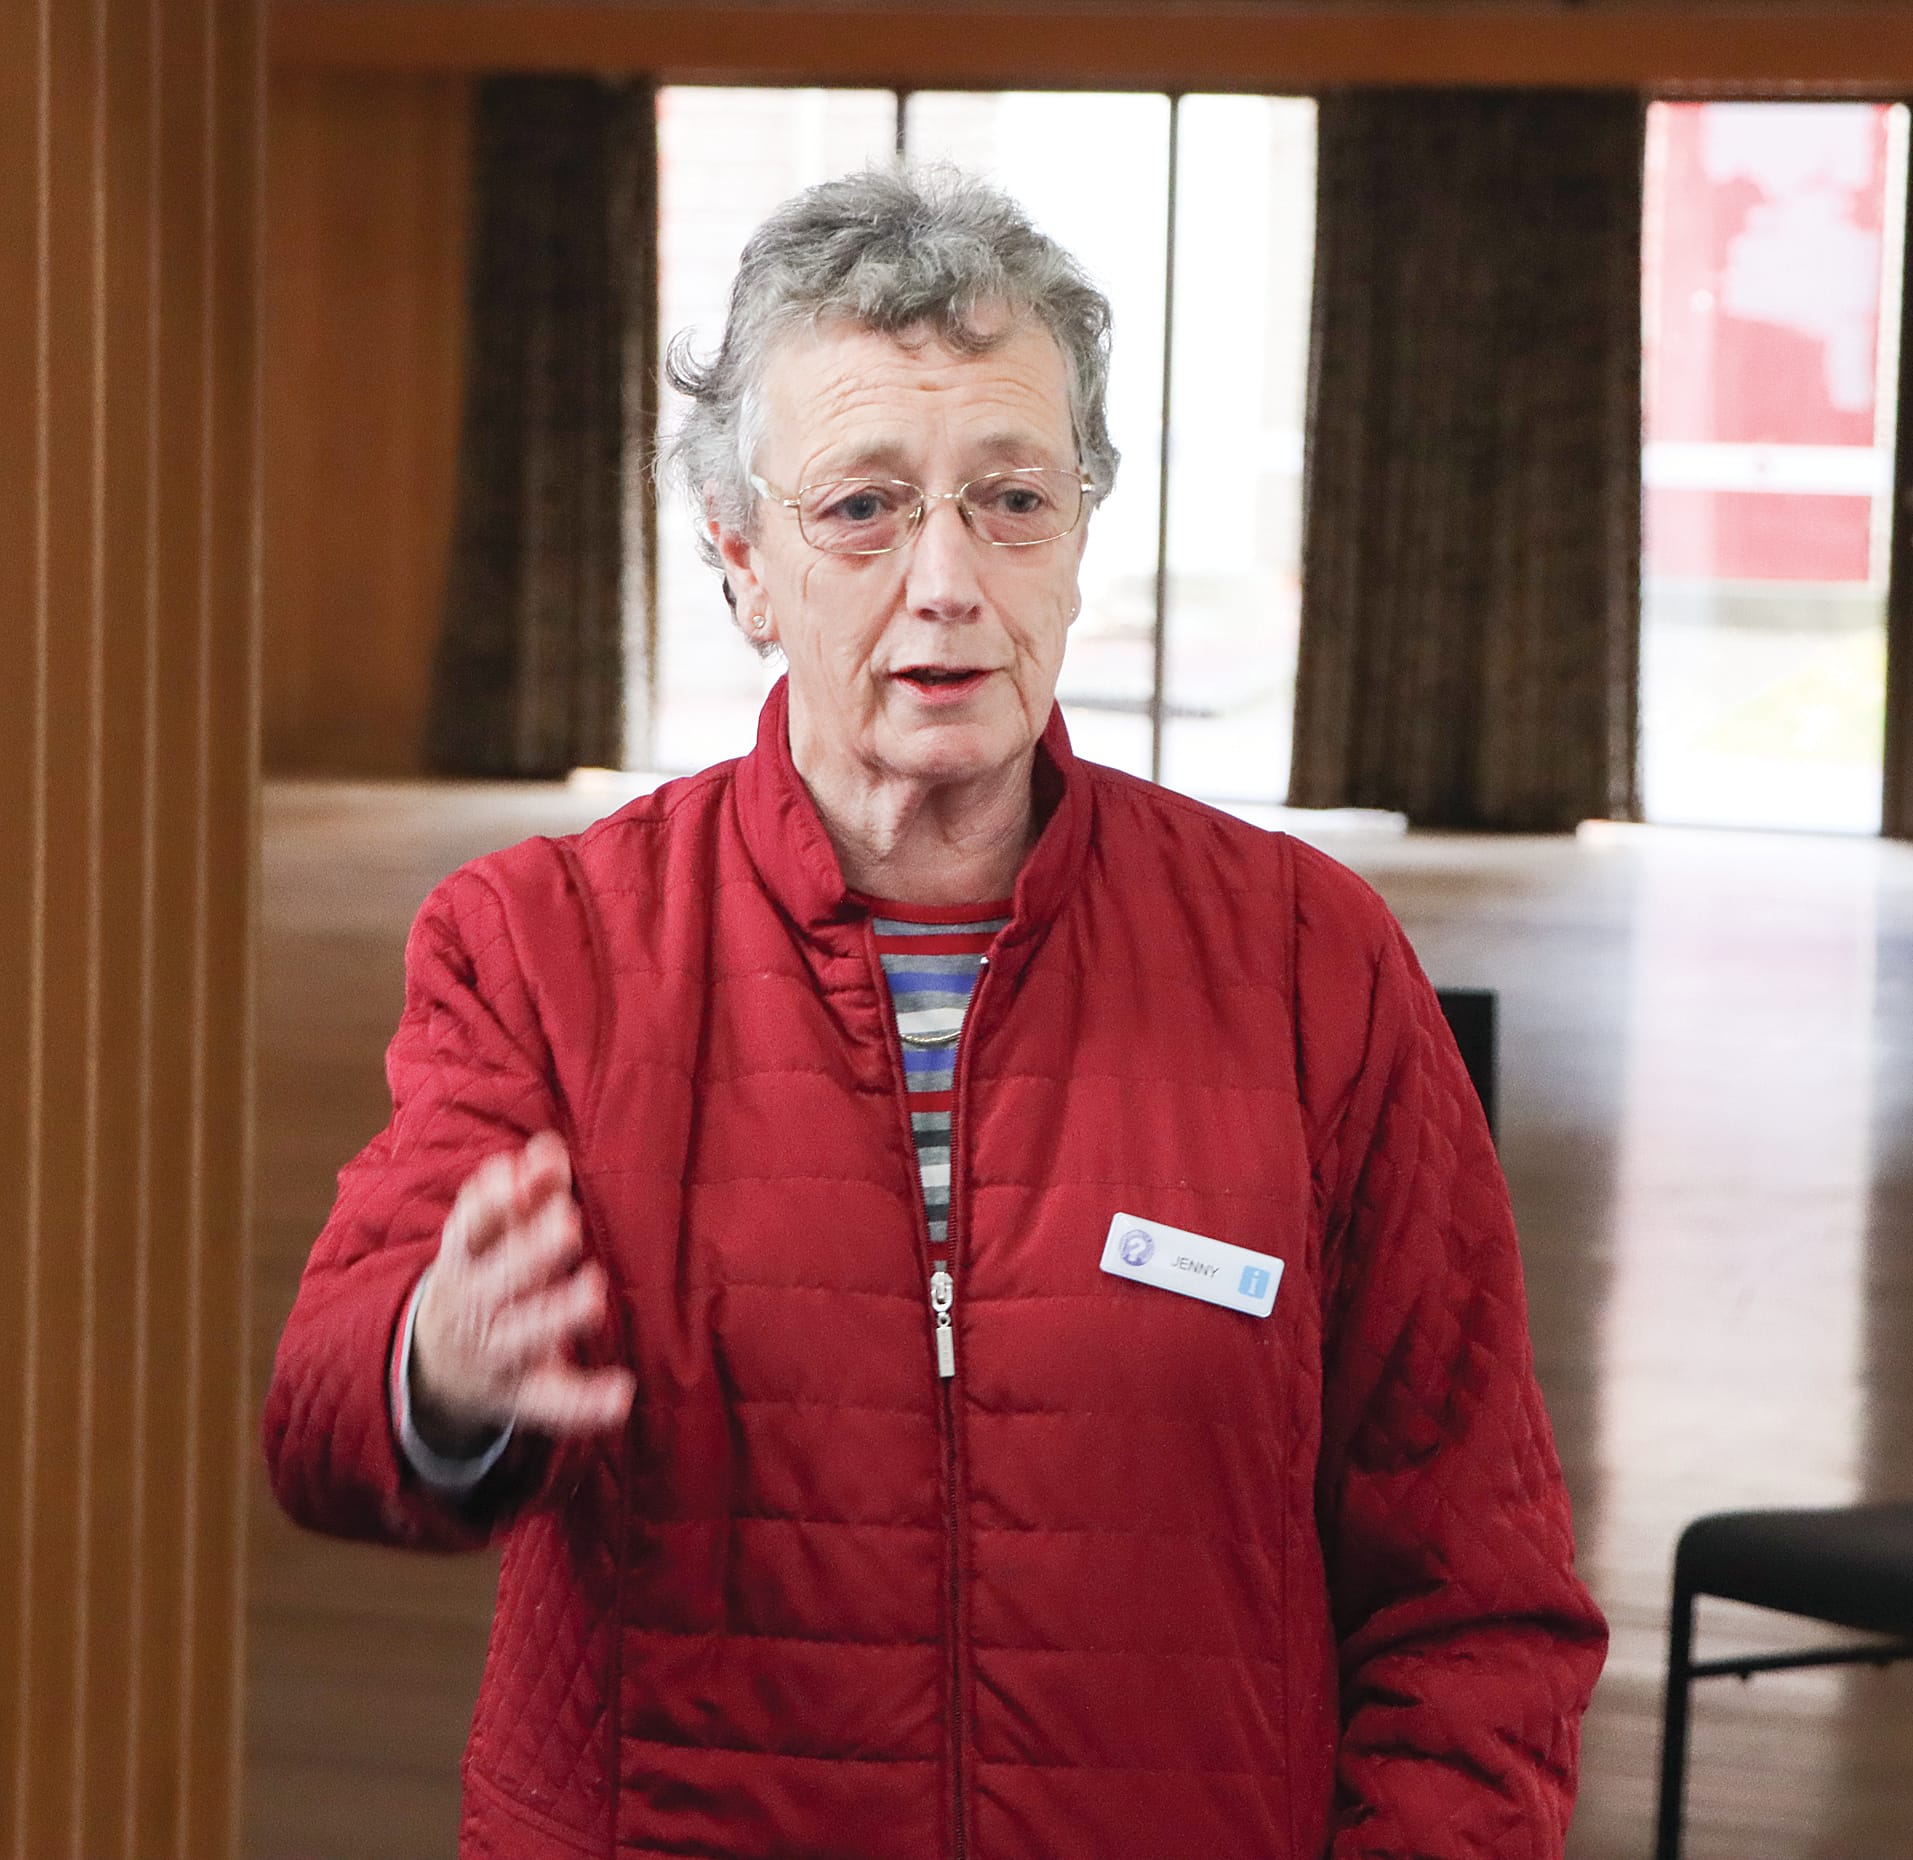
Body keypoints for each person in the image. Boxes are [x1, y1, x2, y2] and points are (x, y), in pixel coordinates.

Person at [263, 164, 1606, 1860]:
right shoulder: (544, 946)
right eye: (862, 508)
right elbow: (324, 1419)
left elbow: (1475, 1598)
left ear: (1078, 539)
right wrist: (436, 1376)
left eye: (1011, 499)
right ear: (741, 559)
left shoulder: (1302, 956)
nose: (948, 579)